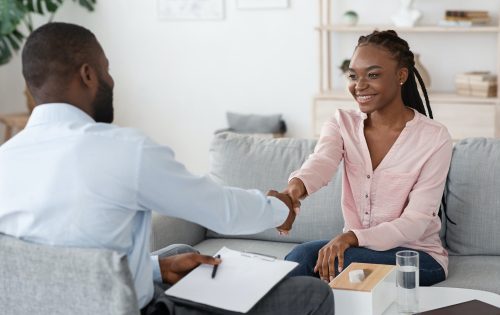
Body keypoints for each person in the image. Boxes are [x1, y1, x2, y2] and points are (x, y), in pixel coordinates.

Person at [0, 22, 334, 315]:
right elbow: (220, 210)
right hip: (133, 308)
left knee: (180, 254)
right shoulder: (124, 150)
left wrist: (155, 269)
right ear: (88, 75)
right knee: (313, 294)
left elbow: (60, 268)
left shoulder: (6, 157)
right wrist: (280, 209)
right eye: (107, 69)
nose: (111, 80)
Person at [277, 30, 452, 286]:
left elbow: (415, 222)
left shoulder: (434, 138)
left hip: (417, 257)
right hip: (358, 250)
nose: (359, 85)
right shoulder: (342, 123)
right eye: (353, 75)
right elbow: (321, 162)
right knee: (299, 257)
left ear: (401, 76)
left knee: (340, 261)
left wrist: (351, 238)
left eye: (372, 75)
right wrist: (293, 191)